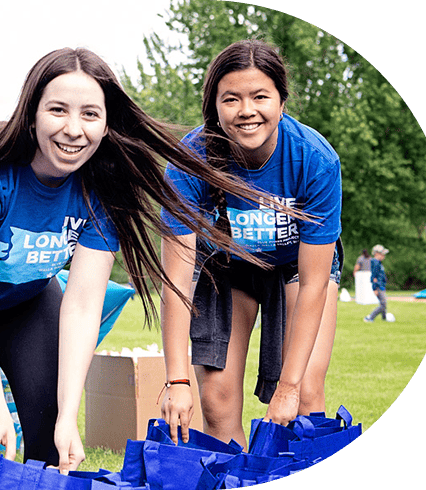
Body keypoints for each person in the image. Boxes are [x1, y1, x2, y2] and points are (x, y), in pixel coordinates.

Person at [0, 46, 274, 489]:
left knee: (48, 438)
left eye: (90, 115)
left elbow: (80, 306)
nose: (73, 130)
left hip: (27, 296)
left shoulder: (103, 186)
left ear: (106, 123)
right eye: (58, 110)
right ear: (32, 112)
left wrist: (68, 415)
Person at [159, 39, 343, 448]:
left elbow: (315, 283)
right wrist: (176, 379)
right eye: (231, 99)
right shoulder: (191, 161)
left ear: (281, 101)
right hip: (227, 266)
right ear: (214, 106)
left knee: (305, 395)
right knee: (217, 400)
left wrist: (289, 386)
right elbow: (176, 282)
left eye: (260, 96)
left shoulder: (316, 160)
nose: (246, 110)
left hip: (297, 266)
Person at [364, 245, 389, 322]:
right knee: (383, 304)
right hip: (378, 286)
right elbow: (374, 276)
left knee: (384, 303)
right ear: (377, 254)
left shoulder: (379, 263)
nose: (384, 256)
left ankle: (384, 318)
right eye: (382, 254)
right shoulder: (375, 262)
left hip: (381, 285)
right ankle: (370, 317)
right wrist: (374, 288)